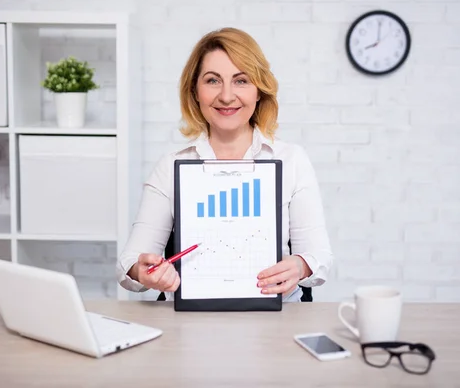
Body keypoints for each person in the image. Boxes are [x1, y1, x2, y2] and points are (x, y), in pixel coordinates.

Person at [116, 27, 333, 302]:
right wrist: (142, 271)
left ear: (259, 91)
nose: (227, 96)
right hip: (188, 323)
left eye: (241, 81)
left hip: (273, 320)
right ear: (195, 91)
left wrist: (300, 265)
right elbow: (129, 264)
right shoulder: (171, 166)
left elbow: (320, 257)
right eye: (213, 81)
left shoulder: (292, 161)